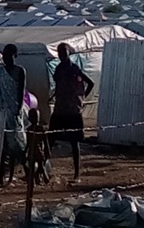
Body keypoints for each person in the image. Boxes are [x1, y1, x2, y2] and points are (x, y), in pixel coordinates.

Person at [50, 43, 94, 182]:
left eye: (63, 52)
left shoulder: (74, 69)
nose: (61, 55)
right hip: (60, 109)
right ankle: (42, 170)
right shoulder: (58, 69)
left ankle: (76, 173)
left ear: (68, 53)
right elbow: (58, 85)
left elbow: (90, 83)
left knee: (74, 142)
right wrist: (54, 96)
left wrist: (81, 97)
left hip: (73, 110)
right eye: (59, 52)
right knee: (50, 139)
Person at [0, 44, 28, 186]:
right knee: (1, 146)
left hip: (14, 112)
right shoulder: (0, 71)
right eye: (4, 55)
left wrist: (17, 111)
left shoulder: (20, 71)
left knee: (18, 145)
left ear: (15, 56)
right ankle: (0, 177)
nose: (5, 58)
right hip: (2, 113)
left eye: (8, 55)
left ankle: (27, 172)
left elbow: (21, 92)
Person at [26, 108, 52, 185]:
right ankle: (37, 180)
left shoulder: (40, 129)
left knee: (41, 165)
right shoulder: (29, 130)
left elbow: (45, 141)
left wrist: (47, 150)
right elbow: (28, 142)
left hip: (39, 150)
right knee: (36, 167)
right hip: (33, 151)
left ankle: (40, 178)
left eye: (37, 117)